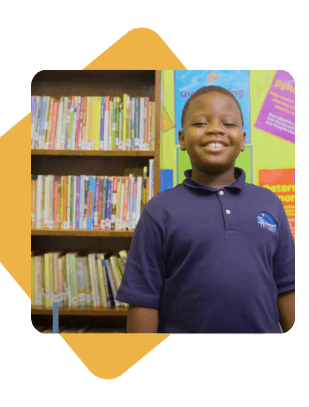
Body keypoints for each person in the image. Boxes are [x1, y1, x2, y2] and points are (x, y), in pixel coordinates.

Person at [115, 85, 295, 334]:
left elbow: (287, 285)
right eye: (200, 123)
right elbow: (143, 298)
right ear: (181, 140)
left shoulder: (270, 203)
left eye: (229, 124)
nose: (215, 129)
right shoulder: (159, 211)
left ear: (243, 141)